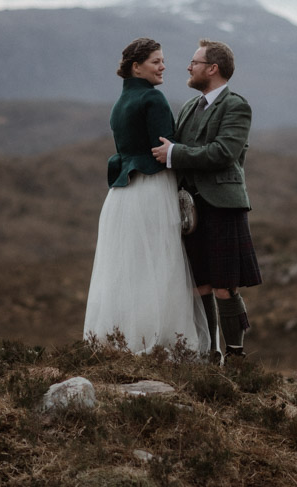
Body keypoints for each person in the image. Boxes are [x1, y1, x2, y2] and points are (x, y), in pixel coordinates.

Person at [83, 37, 209, 355]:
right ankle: (161, 342)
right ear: (136, 67)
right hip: (151, 190)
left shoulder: (119, 104)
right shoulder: (153, 100)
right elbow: (163, 149)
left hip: (122, 196)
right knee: (160, 265)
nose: (163, 66)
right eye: (156, 61)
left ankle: (122, 339)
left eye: (162, 60)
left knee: (129, 269)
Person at [152, 39, 262, 363]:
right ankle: (208, 352)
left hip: (223, 205)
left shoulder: (236, 106)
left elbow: (224, 153)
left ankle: (236, 355)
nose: (188, 67)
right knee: (198, 283)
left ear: (212, 68)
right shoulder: (189, 106)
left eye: (194, 62)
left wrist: (175, 153)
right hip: (190, 210)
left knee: (224, 286)